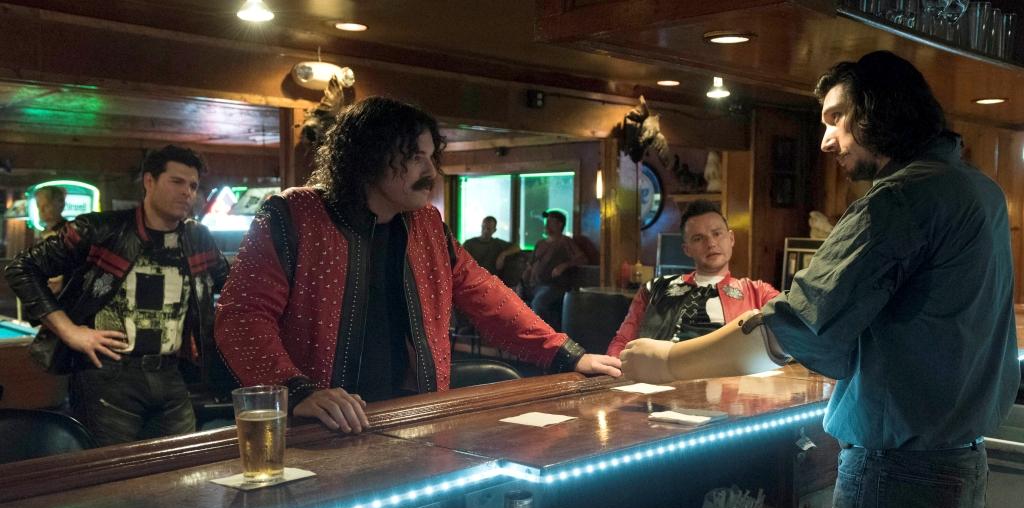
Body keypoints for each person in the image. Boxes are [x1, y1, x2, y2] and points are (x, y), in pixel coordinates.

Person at [619, 51, 1018, 508]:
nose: (826, 140)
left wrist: (666, 360)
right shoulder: (981, 191)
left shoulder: (900, 199)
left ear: (877, 111)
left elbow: (791, 328)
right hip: (965, 465)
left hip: (896, 474)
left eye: (836, 118)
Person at [215, 97, 620, 434]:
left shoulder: (427, 224)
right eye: (414, 158)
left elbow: (486, 296)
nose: (430, 172)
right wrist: (297, 391)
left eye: (430, 157)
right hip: (320, 425)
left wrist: (566, 355)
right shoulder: (293, 214)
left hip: (415, 415)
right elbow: (241, 316)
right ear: (368, 159)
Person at [4, 145, 229, 446]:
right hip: (107, 377)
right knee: (112, 470)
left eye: (193, 185)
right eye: (176, 181)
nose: (187, 192)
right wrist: (70, 331)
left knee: (180, 466)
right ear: (149, 181)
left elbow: (233, 288)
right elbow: (22, 268)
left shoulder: (199, 238)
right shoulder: (99, 229)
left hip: (172, 374)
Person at [606, 200, 778, 357]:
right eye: (698, 238)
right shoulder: (655, 288)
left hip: (731, 376)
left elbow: (789, 329)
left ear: (731, 238)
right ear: (687, 249)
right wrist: (614, 373)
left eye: (717, 234)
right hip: (660, 374)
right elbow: (622, 342)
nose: (711, 243)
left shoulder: (758, 292)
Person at [518, 209, 586, 329]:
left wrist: (564, 265)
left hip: (553, 286)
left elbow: (582, 259)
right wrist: (521, 283)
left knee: (538, 304)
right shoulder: (540, 243)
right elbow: (529, 266)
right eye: (546, 222)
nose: (546, 225)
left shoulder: (565, 242)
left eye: (550, 222)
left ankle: (549, 335)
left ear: (560, 224)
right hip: (533, 285)